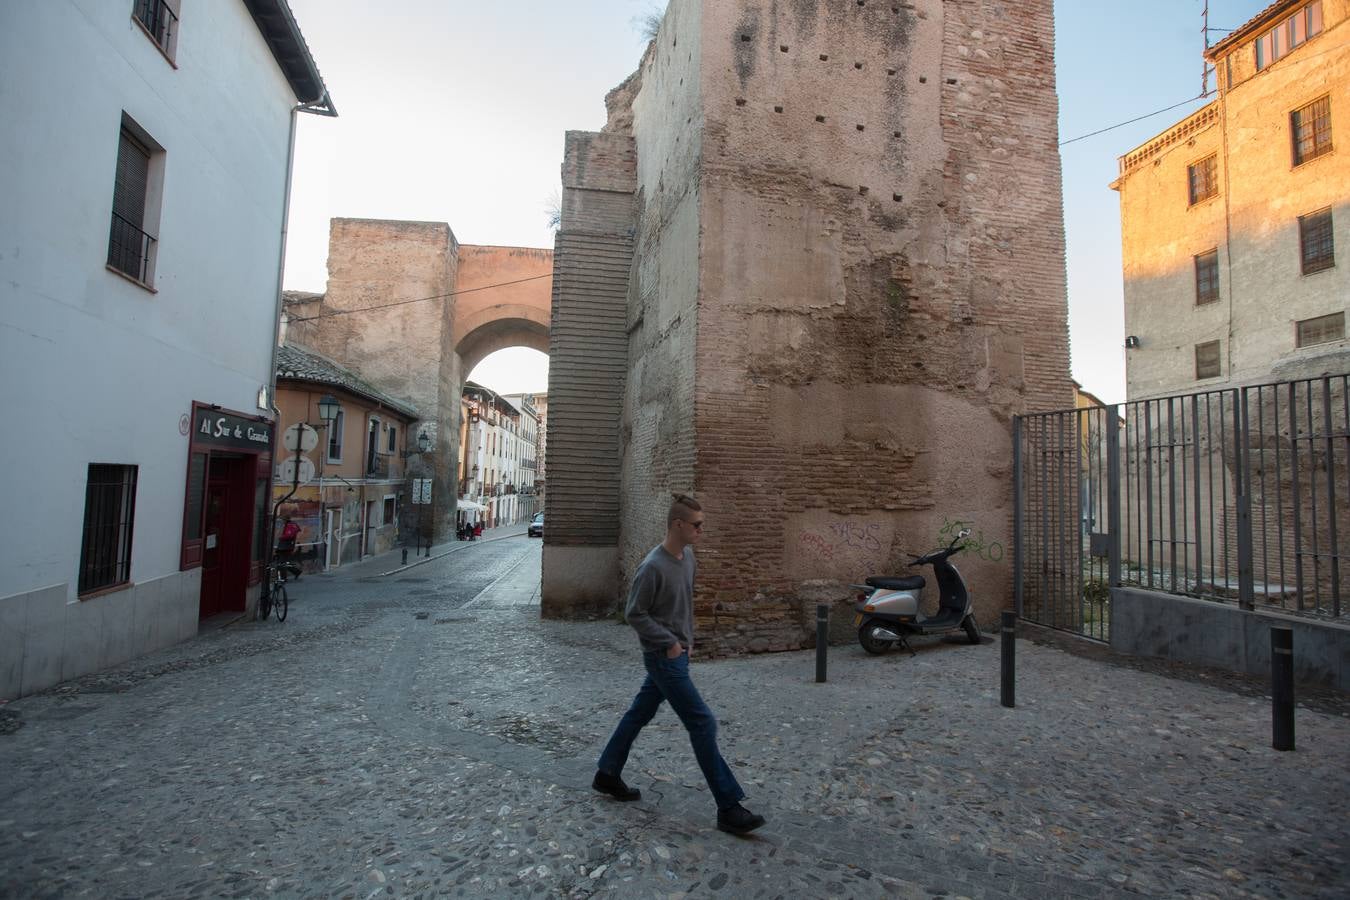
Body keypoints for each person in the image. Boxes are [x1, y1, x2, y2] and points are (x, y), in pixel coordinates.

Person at [593, 493, 766, 835]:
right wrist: (670, 643)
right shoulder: (652, 566)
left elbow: (682, 605)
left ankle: (607, 773)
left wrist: (688, 639)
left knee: (638, 713)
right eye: (698, 525)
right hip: (663, 658)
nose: (702, 531)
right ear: (678, 525)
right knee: (703, 723)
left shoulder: (687, 559)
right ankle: (728, 807)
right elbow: (634, 614)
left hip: (678, 656)